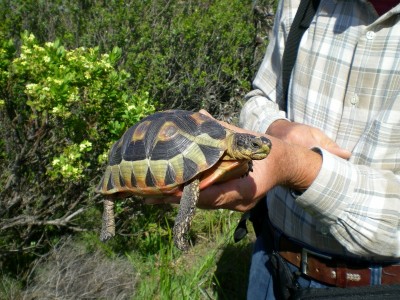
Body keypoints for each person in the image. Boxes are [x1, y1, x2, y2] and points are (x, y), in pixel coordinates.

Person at [148, 0, 400, 298]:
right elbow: (260, 97)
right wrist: (280, 130)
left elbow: (284, 161)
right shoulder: (302, 4)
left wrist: (297, 166)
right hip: (272, 260)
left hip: (380, 286)